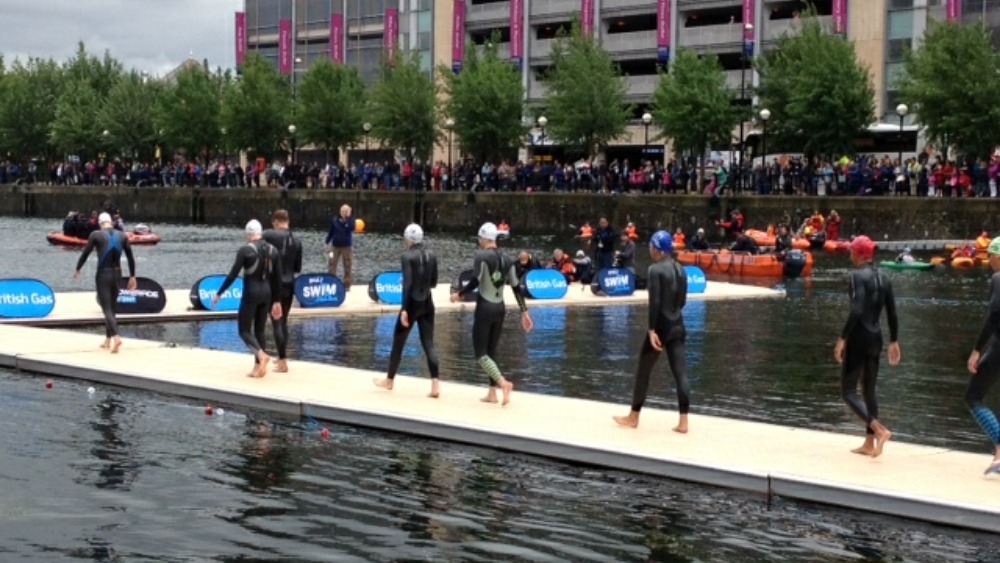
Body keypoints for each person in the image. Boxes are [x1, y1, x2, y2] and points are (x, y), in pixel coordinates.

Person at [614, 230, 690, 433]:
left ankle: (633, 417)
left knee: (643, 371)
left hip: (661, 327)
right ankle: (683, 422)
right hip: (678, 324)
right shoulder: (681, 269)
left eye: (650, 246)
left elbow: (654, 302)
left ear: (657, 249)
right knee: (680, 373)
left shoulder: (655, 269)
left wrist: (651, 329)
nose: (649, 250)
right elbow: (682, 301)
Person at [450, 222, 534, 406]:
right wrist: (524, 312)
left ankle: (503, 383)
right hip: (500, 308)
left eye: (479, 238)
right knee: (491, 351)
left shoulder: (481, 256)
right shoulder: (508, 258)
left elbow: (474, 281)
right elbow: (516, 287)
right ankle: (492, 393)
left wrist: (459, 294)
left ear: (485, 239)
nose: (479, 242)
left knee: (481, 355)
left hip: (485, 307)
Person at [834, 235, 900, 458]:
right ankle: (869, 444)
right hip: (877, 337)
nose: (850, 254)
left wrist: (843, 338)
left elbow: (856, 310)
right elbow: (892, 312)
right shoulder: (885, 277)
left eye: (852, 251)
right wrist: (894, 340)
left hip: (860, 336)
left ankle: (879, 430)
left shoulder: (857, 277)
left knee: (848, 392)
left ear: (860, 254)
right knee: (869, 391)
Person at [374, 224, 441, 398]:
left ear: (408, 239)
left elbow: (408, 285)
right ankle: (435, 384)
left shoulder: (406, 256)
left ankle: (389, 381)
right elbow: (434, 283)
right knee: (429, 344)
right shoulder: (432, 255)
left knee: (398, 341)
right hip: (428, 303)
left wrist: (404, 309)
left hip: (412, 305)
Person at [213, 220, 283, 378]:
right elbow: (277, 278)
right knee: (259, 330)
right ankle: (258, 368)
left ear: (248, 234)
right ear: (261, 233)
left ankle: (261, 355)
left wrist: (220, 293)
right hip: (267, 293)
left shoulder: (245, 250)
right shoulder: (273, 250)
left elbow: (233, 274)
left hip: (251, 293)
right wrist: (277, 301)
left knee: (244, 330)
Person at [73, 212, 137, 353]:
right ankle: (107, 340)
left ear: (100, 223)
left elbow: (85, 253)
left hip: (103, 274)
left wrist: (78, 268)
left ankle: (116, 337)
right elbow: (131, 258)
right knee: (112, 308)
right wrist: (132, 276)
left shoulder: (96, 235)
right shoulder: (123, 235)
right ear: (111, 222)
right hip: (117, 274)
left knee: (106, 308)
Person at [965, 236, 1000, 475]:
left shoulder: (998, 278)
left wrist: (977, 350)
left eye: (990, 256)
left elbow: (994, 314)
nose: (989, 262)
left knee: (973, 396)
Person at [262, 209, 303, 373]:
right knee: (283, 320)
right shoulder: (297, 241)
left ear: (275, 222)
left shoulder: (270, 235)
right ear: (289, 221)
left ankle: (283, 360)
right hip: (290, 283)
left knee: (276, 321)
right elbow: (297, 267)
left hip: (274, 284)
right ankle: (281, 357)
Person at [325, 203, 356, 289]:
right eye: (342, 211)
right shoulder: (335, 220)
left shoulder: (351, 220)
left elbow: (351, 228)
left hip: (346, 246)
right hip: (335, 245)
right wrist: (327, 242)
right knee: (332, 264)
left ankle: (347, 284)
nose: (343, 212)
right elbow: (331, 231)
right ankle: (331, 282)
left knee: (347, 265)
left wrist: (348, 218)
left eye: (345, 211)